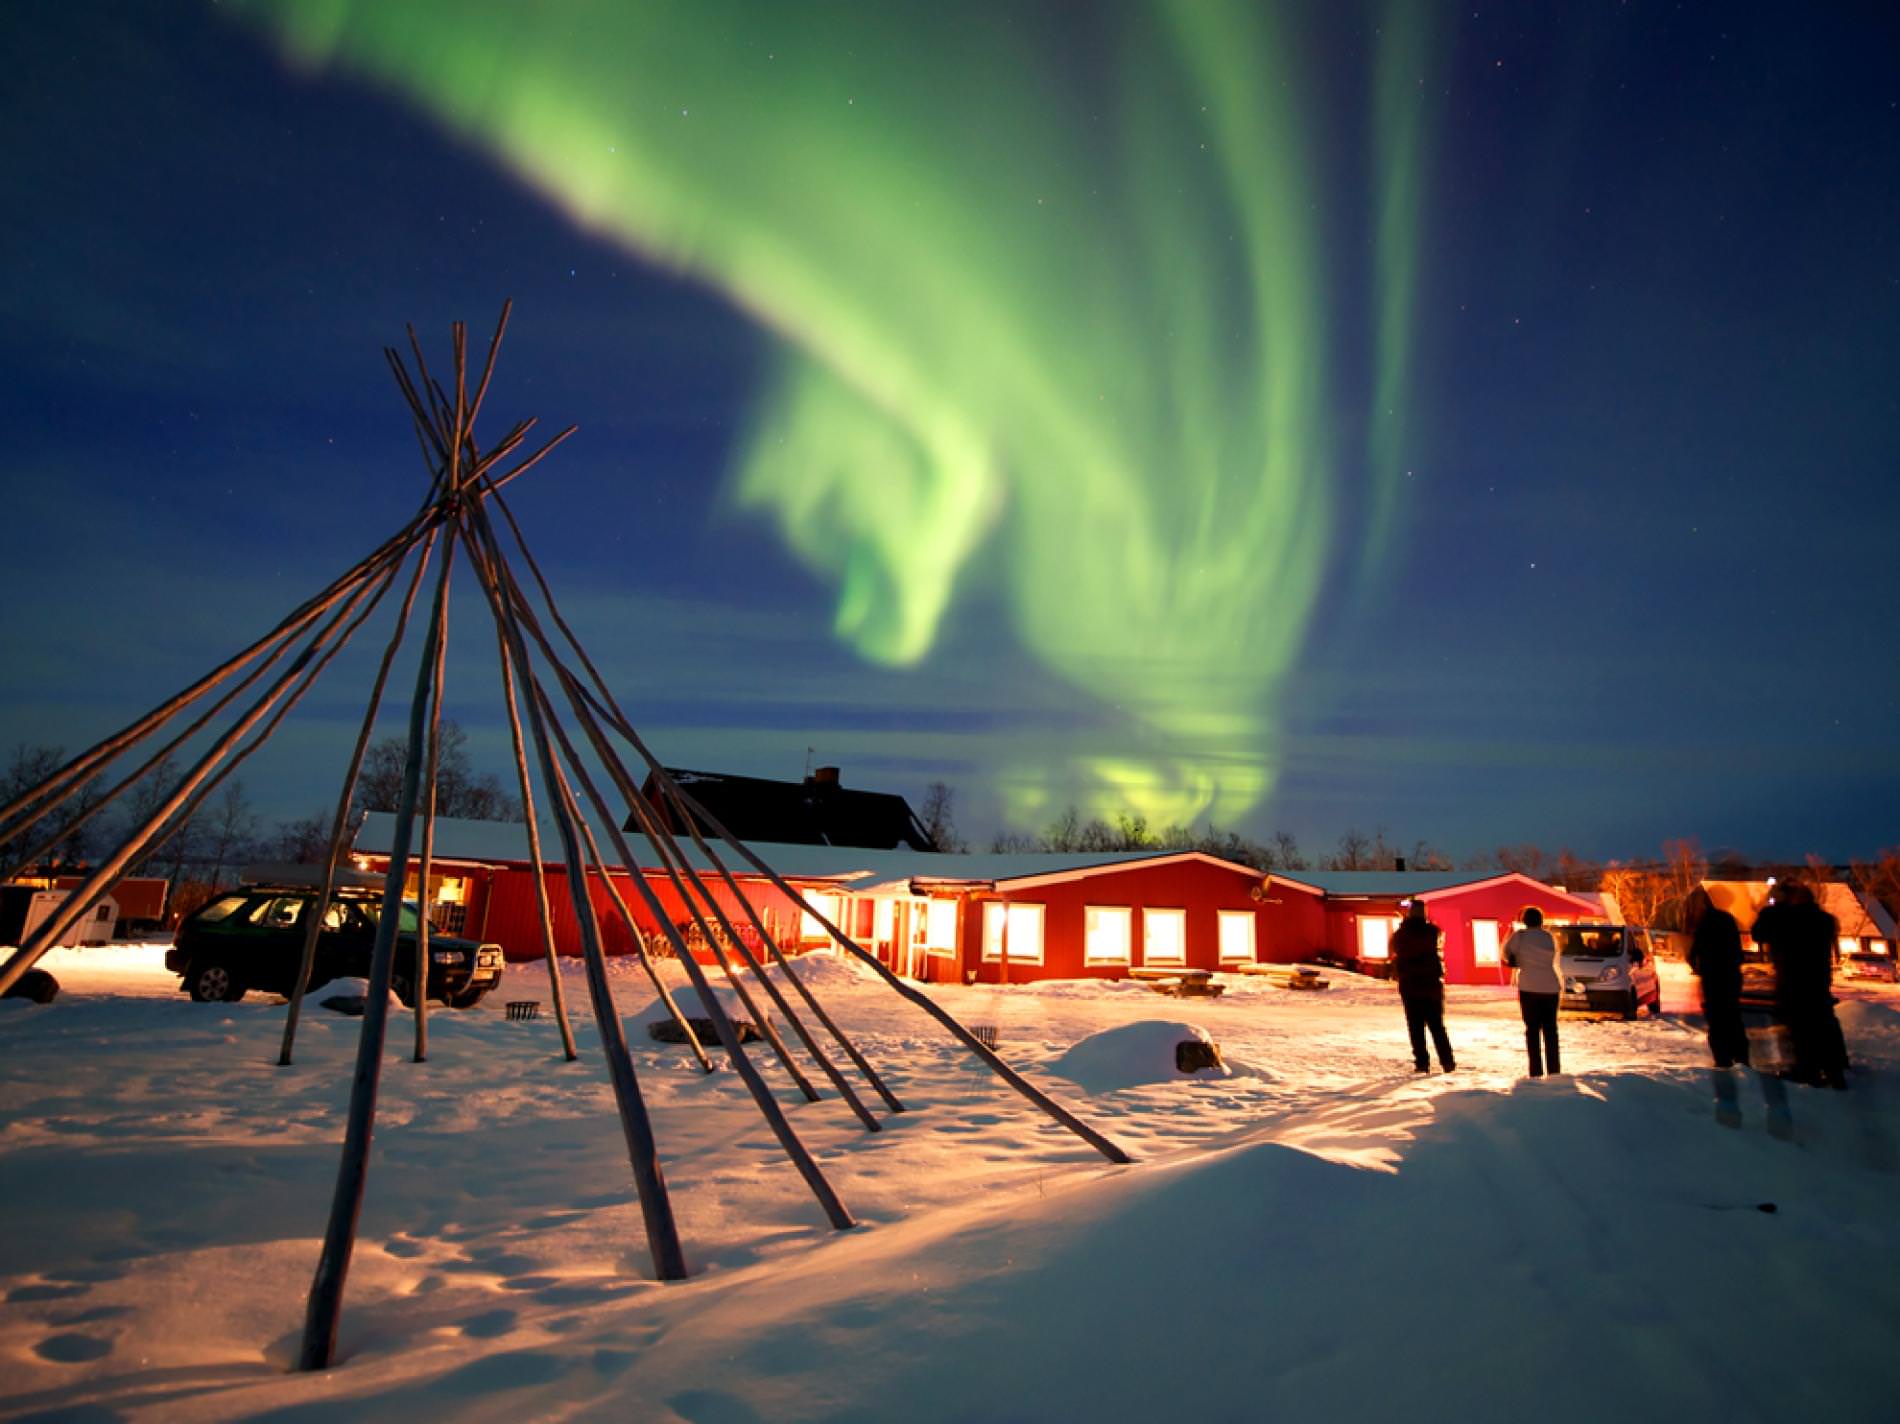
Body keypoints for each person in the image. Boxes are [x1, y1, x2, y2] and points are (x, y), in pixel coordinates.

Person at [1750, 881, 1848, 1089]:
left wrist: (1775, 907)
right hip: (1819, 979)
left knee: (1801, 1027)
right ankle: (1834, 1069)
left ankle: (1807, 1070)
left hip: (1793, 980)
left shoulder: (1786, 919)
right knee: (1823, 1024)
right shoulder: (1825, 920)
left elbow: (1758, 933)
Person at [1389, 898, 1455, 1072]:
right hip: (1432, 983)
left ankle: (1422, 1062)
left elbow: (1395, 949)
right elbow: (1439, 946)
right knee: (1436, 1024)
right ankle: (1447, 1061)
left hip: (1410, 983)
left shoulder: (1401, 934)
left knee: (1415, 1025)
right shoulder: (1433, 932)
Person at [1684, 886, 1746, 1069]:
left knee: (1717, 1019)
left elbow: (1692, 954)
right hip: (1731, 975)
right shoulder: (1727, 919)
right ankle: (1741, 1056)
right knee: (1732, 1016)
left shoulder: (1705, 923)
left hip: (1714, 977)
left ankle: (1723, 1059)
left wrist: (1699, 968)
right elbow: (1737, 950)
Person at [1501, 906, 1562, 1076]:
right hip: (1551, 987)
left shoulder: (1519, 937)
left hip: (1529, 988)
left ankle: (1535, 1070)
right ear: (1541, 920)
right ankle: (1554, 1069)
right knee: (1551, 1030)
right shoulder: (1549, 937)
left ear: (1525, 920)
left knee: (1532, 1029)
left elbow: (1506, 955)